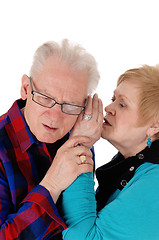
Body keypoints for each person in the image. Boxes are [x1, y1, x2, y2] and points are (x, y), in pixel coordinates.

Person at [0, 39, 103, 239]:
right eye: (45, 98)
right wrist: (52, 185)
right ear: (25, 88)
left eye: (71, 105)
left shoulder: (77, 138)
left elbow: (80, 224)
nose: (54, 117)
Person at [61, 64, 159, 240]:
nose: (108, 108)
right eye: (113, 99)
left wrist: (80, 145)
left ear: (155, 125)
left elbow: (88, 238)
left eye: (122, 104)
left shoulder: (155, 182)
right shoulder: (134, 163)